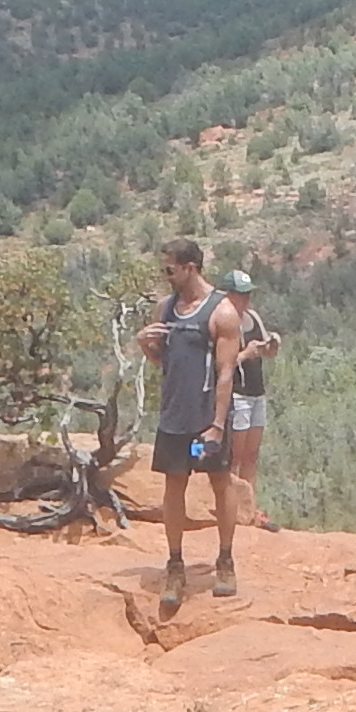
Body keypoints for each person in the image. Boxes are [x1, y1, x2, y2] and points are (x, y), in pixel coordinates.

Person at [138, 238, 248, 611]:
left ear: (190, 268)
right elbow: (163, 362)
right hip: (174, 418)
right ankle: (175, 565)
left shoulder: (222, 312)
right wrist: (146, 345)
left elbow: (226, 372)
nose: (165, 276)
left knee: (219, 481)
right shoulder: (165, 309)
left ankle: (225, 560)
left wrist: (217, 424)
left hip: (204, 424)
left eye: (170, 269)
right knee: (174, 484)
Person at [220, 268, 280, 507]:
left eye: (248, 294)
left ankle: (249, 506)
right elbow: (221, 364)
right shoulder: (224, 323)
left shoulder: (253, 317)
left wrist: (271, 345)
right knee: (235, 455)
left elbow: (267, 352)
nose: (246, 299)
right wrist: (245, 354)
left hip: (257, 392)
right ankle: (231, 506)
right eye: (241, 294)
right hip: (237, 395)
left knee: (251, 455)